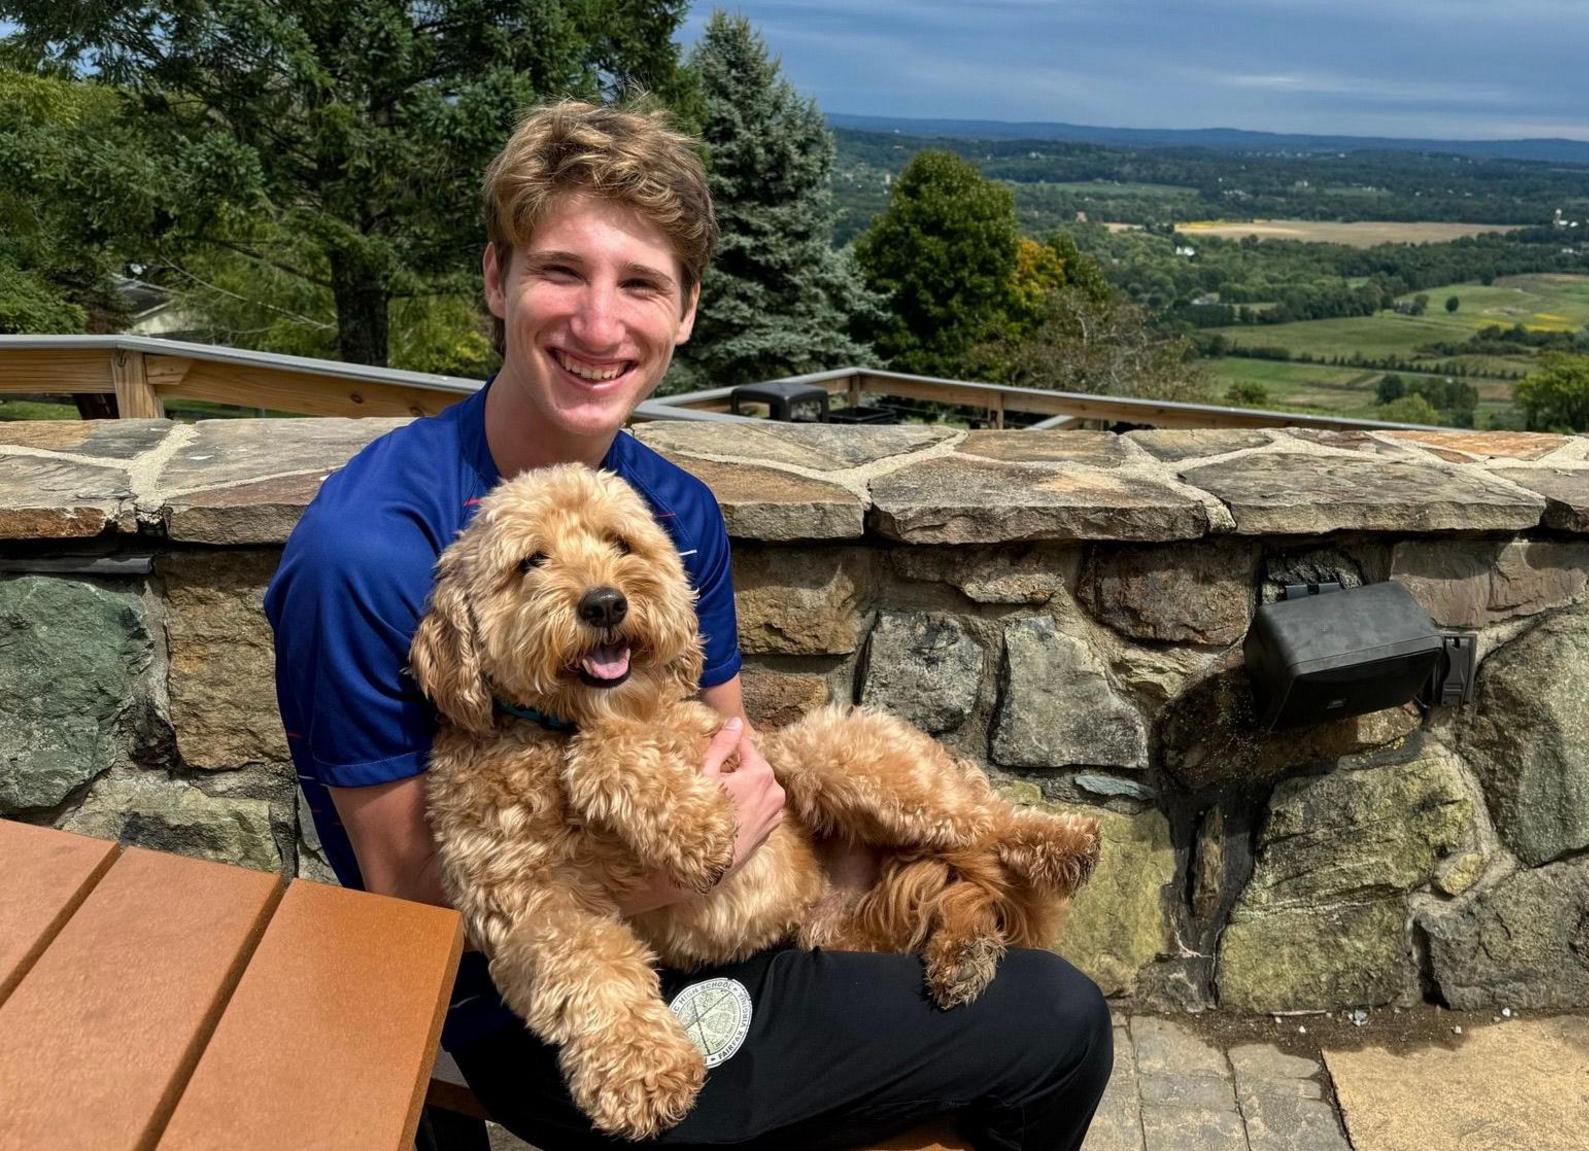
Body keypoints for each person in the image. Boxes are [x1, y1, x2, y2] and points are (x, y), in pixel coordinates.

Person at [264, 99, 1111, 1151]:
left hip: (726, 921)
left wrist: (800, 843)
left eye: (641, 284)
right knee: (1058, 1025)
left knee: (1021, 986)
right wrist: (673, 869)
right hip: (531, 990)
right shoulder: (366, 553)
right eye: (562, 270)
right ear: (497, 278)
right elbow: (412, 893)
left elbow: (721, 754)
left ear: (686, 312)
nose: (599, 322)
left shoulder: (671, 511)